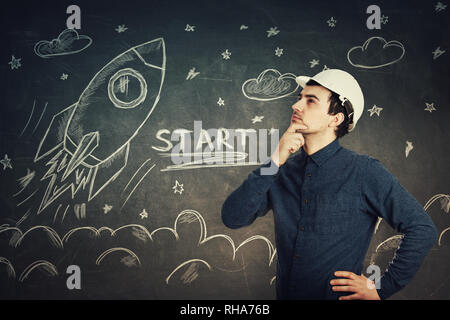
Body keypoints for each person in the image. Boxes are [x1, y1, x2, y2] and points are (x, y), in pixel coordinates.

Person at [221, 69, 438, 300]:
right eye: (299, 99)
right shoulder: (280, 170)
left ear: (336, 118)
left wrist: (381, 287)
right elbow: (233, 217)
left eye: (311, 101)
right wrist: (275, 160)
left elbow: (422, 228)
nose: (296, 106)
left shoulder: (365, 171)